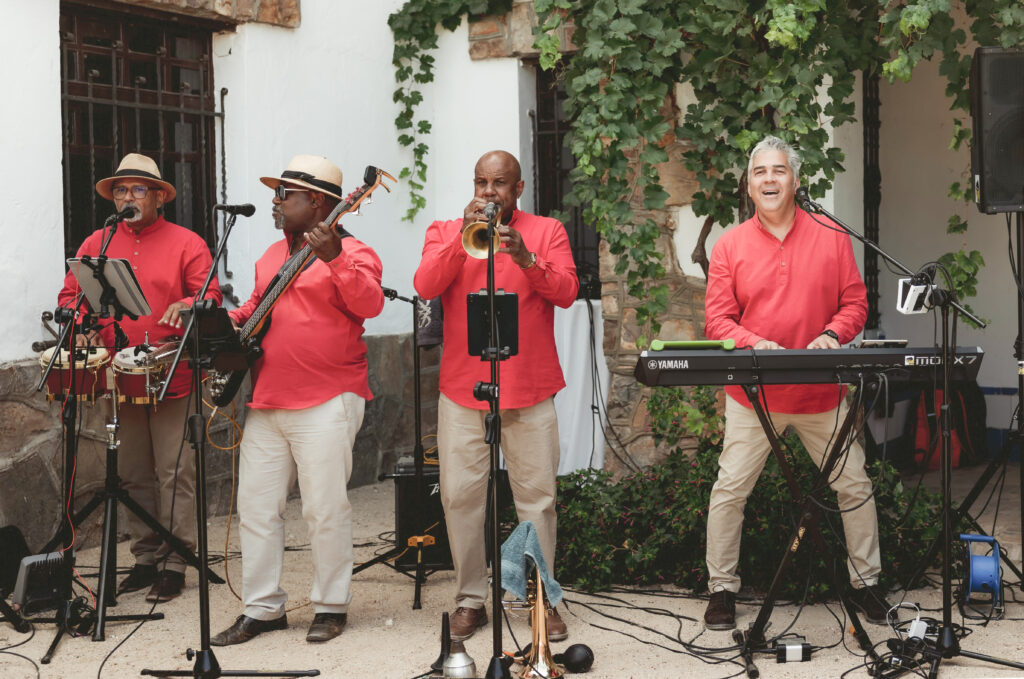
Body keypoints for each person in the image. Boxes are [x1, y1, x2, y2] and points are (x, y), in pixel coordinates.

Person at [701, 135, 890, 631]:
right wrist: (755, 343)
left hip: (823, 394)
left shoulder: (831, 234)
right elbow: (718, 320)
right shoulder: (730, 244)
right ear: (748, 184)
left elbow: (855, 304)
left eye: (778, 171)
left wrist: (833, 334)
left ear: (796, 180)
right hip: (754, 396)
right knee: (730, 490)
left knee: (854, 486)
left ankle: (867, 583)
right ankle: (721, 589)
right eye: (760, 172)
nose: (769, 179)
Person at [211, 155, 384, 646]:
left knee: (324, 509)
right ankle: (263, 608)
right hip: (268, 400)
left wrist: (333, 259)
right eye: (277, 193)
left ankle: (331, 606)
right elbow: (253, 310)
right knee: (258, 508)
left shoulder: (356, 251)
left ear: (319, 202)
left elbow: (369, 304)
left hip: (328, 398)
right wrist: (214, 319)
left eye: (285, 194)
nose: (275, 202)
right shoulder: (271, 255)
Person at [413, 150, 579, 641]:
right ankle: (470, 598)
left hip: (529, 389)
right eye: (481, 182)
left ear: (519, 189)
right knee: (462, 499)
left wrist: (526, 258)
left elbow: (567, 292)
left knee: (537, 501)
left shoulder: (547, 231)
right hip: (463, 392)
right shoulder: (446, 231)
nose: (489, 192)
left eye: (499, 183)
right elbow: (425, 284)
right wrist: (459, 243)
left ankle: (539, 598)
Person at [58, 152, 222, 603]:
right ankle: (146, 559)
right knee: (131, 473)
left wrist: (191, 304)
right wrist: (75, 314)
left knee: (174, 471)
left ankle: (176, 561)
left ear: (158, 197)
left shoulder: (187, 242)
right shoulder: (98, 240)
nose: (128, 197)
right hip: (118, 373)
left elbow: (209, 294)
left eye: (138, 189)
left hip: (172, 370)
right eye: (121, 190)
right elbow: (73, 294)